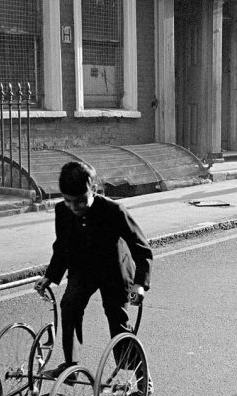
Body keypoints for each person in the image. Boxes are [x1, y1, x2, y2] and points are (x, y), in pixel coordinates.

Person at [33, 161, 153, 378]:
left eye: (80, 201)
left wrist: (139, 284)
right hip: (83, 269)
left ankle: (140, 374)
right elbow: (62, 247)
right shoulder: (62, 211)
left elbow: (141, 247)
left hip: (114, 270)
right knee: (69, 305)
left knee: (117, 319)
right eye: (68, 201)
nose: (74, 207)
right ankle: (70, 367)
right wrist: (50, 276)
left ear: (94, 190)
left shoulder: (114, 210)